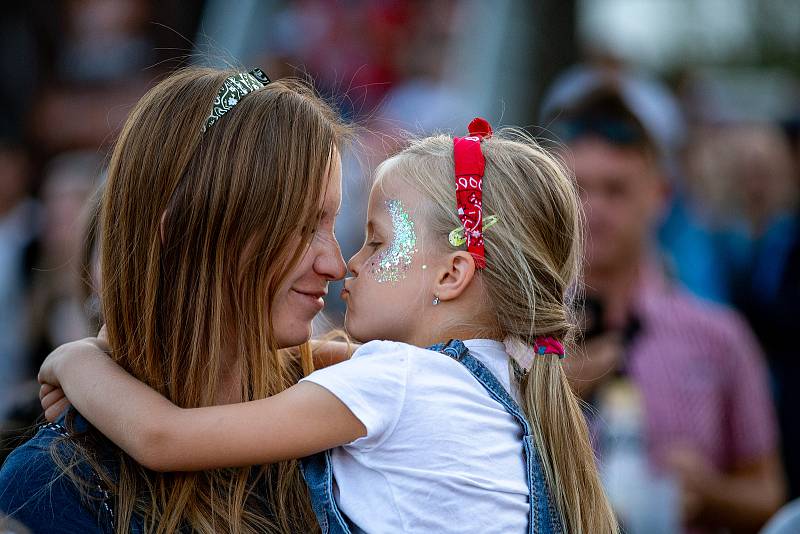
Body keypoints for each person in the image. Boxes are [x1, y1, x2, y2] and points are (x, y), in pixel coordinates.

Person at [37, 119, 618, 533]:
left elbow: (163, 439)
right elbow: (321, 358)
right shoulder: (505, 369)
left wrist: (78, 361)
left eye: (377, 241)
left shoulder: (396, 382)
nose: (349, 265)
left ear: (452, 274)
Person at [0, 66, 353, 533]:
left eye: (332, 223)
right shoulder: (55, 483)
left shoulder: (344, 417)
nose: (336, 263)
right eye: (303, 225)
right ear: (183, 236)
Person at [544, 82, 785, 532]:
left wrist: (710, 492)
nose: (593, 210)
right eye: (578, 189)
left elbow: (770, 495)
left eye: (616, 190)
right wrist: (553, 394)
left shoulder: (719, 336)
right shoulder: (518, 332)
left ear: (661, 194)